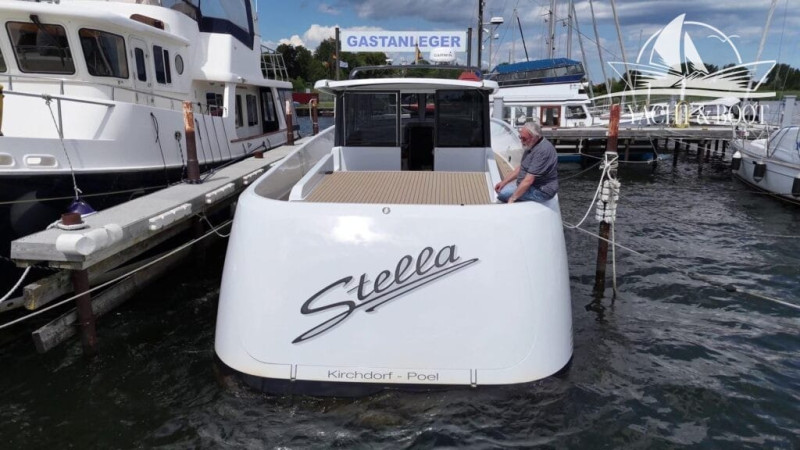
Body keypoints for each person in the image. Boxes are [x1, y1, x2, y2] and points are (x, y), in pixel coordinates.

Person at [495, 121, 558, 203]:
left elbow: (529, 180)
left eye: (524, 138)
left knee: (503, 194)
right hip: (530, 185)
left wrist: (513, 198)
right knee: (502, 189)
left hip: (541, 191)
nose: (521, 141)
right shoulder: (530, 145)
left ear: (534, 137)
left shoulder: (542, 151)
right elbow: (522, 167)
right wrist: (504, 182)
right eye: (520, 137)